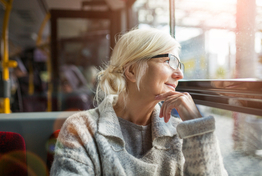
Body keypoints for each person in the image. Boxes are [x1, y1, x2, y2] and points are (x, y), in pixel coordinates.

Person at [50, 28, 227, 175]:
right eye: (168, 61)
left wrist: (197, 128)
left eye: (179, 65)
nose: (179, 75)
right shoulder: (80, 129)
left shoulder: (179, 133)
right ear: (132, 71)